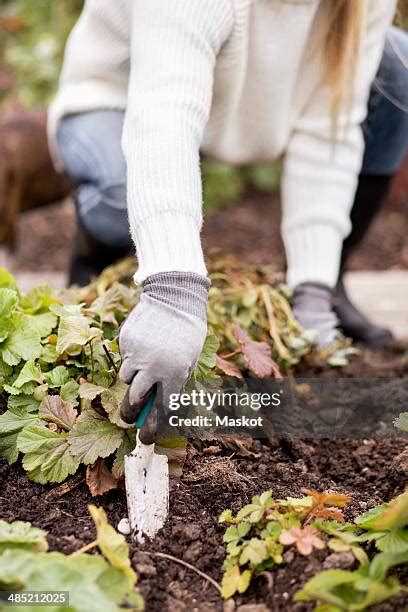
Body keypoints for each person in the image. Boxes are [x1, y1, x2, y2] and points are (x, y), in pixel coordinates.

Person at [48, 0, 406, 430]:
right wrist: (174, 289)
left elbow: (329, 131)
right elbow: (164, 118)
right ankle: (97, 256)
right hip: (117, 99)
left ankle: (330, 286)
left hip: (234, 108)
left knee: (398, 68)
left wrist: (313, 284)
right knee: (121, 199)